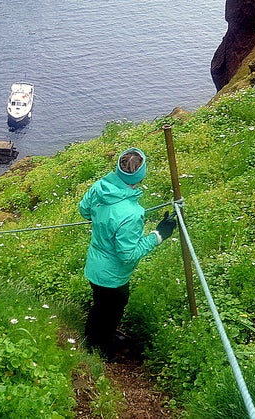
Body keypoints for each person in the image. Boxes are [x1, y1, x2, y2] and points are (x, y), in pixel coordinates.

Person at [78, 147, 177, 360]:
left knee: (100, 306)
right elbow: (128, 255)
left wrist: (101, 220)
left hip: (95, 265)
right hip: (113, 276)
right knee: (113, 309)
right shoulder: (131, 214)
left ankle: (92, 339)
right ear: (141, 175)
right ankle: (103, 350)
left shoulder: (99, 187)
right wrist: (159, 235)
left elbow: (84, 210)